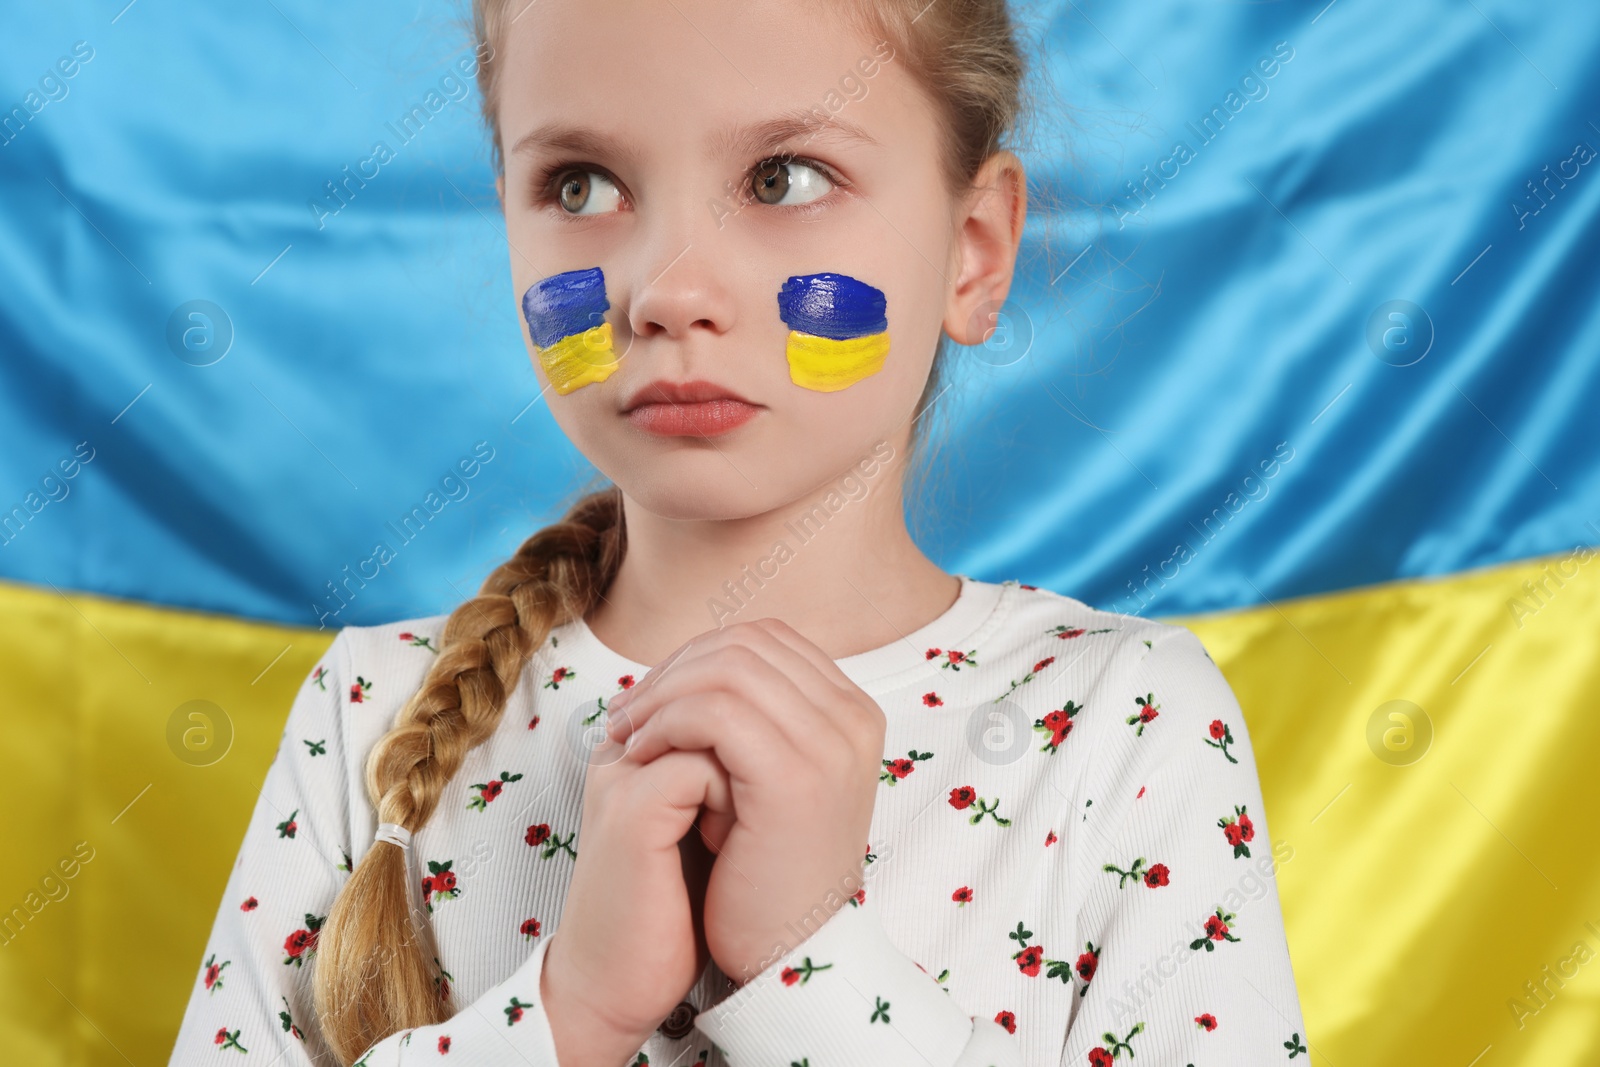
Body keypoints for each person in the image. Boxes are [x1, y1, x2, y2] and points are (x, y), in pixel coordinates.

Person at [168, 0, 1308, 1063]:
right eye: (579, 186)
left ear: (974, 248)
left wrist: (809, 965)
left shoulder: (1122, 725)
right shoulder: (370, 714)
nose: (665, 289)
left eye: (783, 175)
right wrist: (566, 1012)